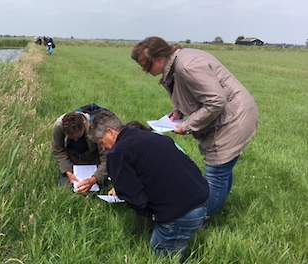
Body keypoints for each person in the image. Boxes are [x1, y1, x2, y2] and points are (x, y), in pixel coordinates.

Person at [131, 36, 258, 216]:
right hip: (233, 113)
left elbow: (216, 101)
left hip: (233, 118)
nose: (145, 71)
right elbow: (195, 92)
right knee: (223, 170)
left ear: (159, 59)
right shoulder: (180, 60)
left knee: (216, 172)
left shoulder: (186, 66)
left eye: (146, 66)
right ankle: (215, 209)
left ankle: (202, 219)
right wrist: (179, 112)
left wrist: (187, 125)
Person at [89, 111, 208, 258]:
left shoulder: (118, 153)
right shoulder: (151, 136)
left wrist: (151, 215)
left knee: (160, 256)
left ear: (110, 132)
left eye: (101, 142)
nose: (104, 148)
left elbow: (135, 198)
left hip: (180, 213)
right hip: (202, 199)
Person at [52, 104, 109, 192]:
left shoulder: (96, 127)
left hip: (94, 157)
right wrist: (68, 171)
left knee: (102, 186)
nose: (75, 139)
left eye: (78, 137)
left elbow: (106, 157)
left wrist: (95, 178)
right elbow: (58, 150)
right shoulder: (59, 126)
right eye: (71, 137)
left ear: (84, 126)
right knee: (63, 188)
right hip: (73, 158)